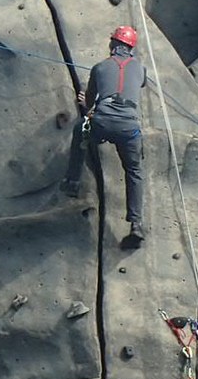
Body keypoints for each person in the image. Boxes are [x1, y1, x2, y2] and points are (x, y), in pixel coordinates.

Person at [62, 25, 147, 244]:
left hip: (101, 123)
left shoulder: (100, 67)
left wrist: (85, 103)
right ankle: (136, 223)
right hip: (129, 128)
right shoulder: (140, 69)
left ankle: (72, 182)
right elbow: (141, 82)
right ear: (131, 48)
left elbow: (90, 101)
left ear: (113, 45)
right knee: (134, 170)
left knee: (81, 129)